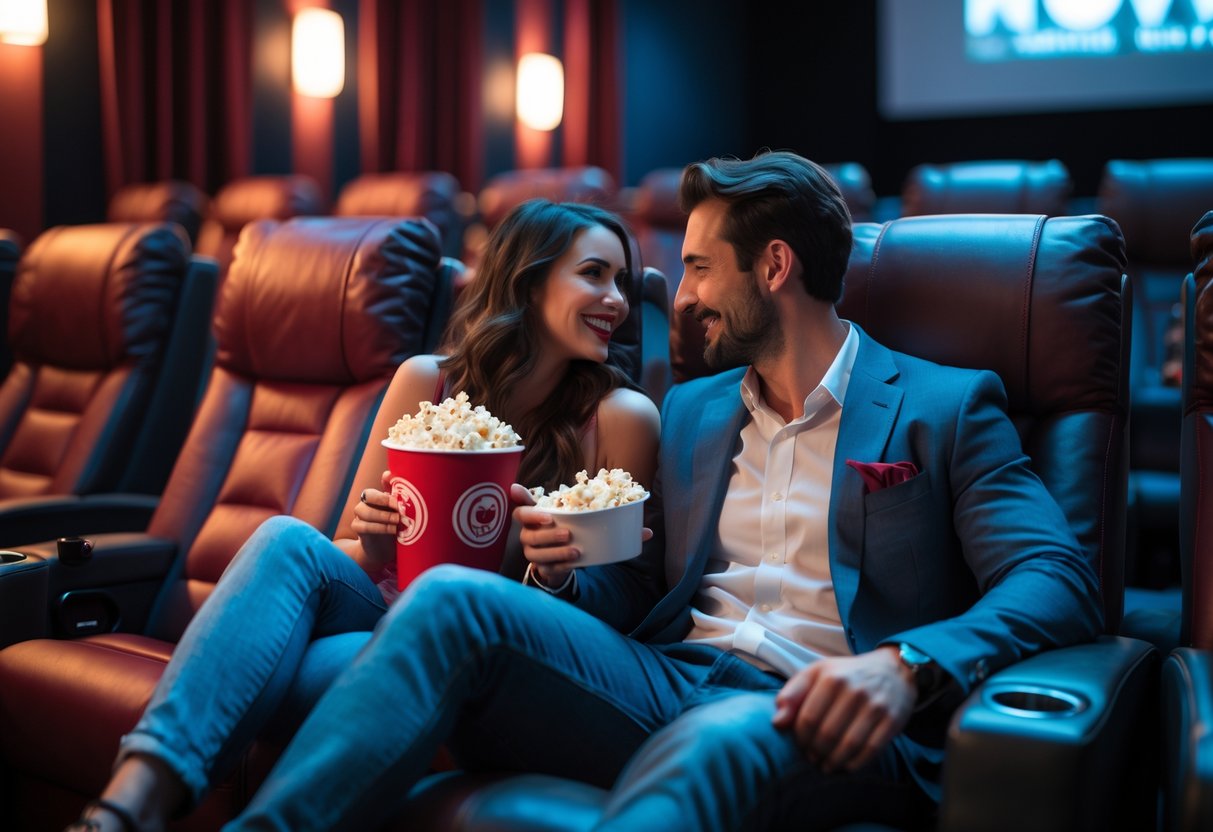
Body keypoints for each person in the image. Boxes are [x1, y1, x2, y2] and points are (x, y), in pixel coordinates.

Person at [214, 151, 1101, 831]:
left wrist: (903, 666)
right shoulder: (691, 412)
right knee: (455, 597)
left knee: (719, 736)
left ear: (775, 268)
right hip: (664, 679)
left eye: (701, 268)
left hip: (819, 703)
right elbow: (637, 588)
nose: (680, 297)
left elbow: (1057, 578)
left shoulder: (945, 405)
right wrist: (562, 576)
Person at [67, 200, 661, 832]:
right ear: (529, 279)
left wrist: (555, 576)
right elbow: (349, 547)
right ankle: (123, 809)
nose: (616, 300)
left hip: (482, 644)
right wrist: (376, 546)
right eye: (594, 274)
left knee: (284, 668)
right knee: (285, 538)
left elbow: (627, 599)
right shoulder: (427, 382)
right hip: (376, 604)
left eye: (622, 281)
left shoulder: (620, 417)